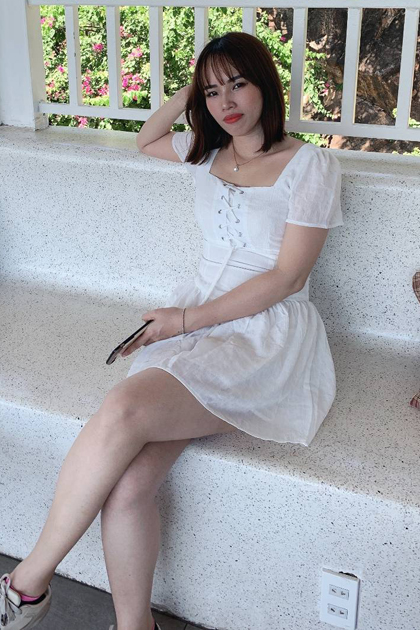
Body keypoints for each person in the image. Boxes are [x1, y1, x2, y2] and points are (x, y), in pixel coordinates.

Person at [0, 30, 343, 630]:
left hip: (262, 334)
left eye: (238, 83)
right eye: (213, 92)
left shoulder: (311, 164)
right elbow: (145, 138)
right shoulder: (207, 152)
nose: (226, 102)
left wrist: (181, 321)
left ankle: (26, 586)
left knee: (123, 409)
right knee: (130, 486)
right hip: (191, 322)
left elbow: (288, 277)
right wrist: (193, 89)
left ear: (265, 84)